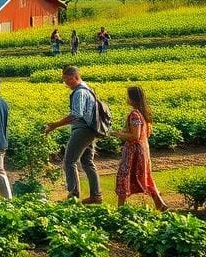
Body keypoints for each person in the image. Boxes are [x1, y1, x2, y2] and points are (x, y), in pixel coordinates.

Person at [44, 65, 103, 204]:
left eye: (69, 80)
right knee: (87, 162)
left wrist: (55, 125)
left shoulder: (79, 92)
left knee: (69, 161)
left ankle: (73, 196)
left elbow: (76, 115)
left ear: (76, 77)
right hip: (91, 129)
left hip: (82, 129)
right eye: (65, 80)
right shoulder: (88, 88)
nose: (67, 83)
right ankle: (96, 195)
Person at [113, 86, 167, 211]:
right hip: (143, 151)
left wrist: (118, 134)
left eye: (127, 96)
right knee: (144, 177)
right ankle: (160, 204)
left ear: (132, 99)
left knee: (124, 176)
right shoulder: (143, 114)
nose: (126, 98)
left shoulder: (135, 115)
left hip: (134, 153)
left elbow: (135, 136)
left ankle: (119, 209)